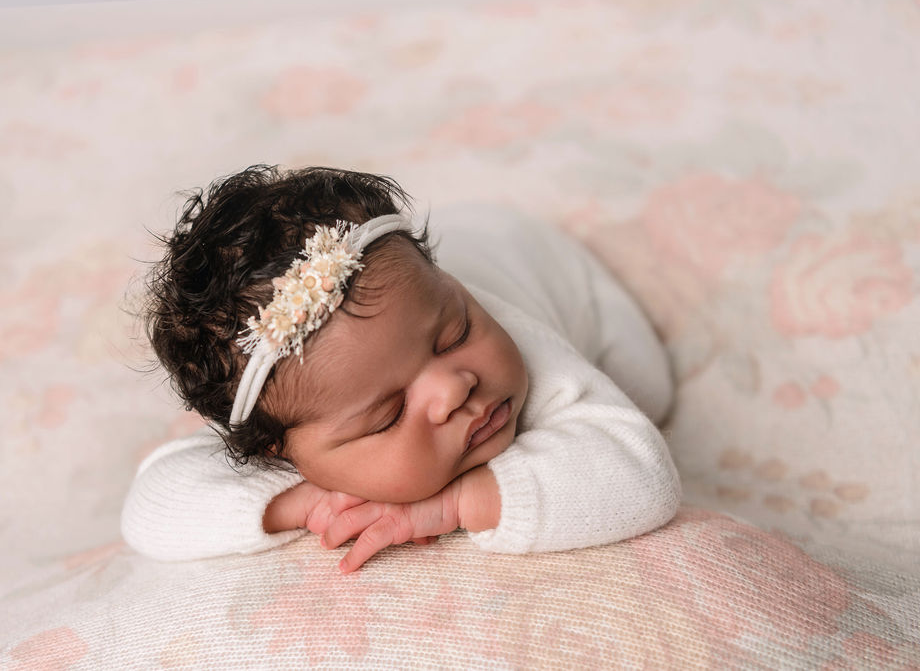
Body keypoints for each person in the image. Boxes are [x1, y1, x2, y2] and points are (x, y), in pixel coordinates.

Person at [122, 165, 681, 573]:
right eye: (389, 415)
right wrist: (304, 502)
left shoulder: (512, 340)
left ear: (454, 289)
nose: (454, 387)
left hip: (531, 252)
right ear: (281, 452)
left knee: (648, 392)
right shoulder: (285, 400)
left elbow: (642, 472)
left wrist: (455, 503)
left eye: (456, 334)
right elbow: (152, 505)